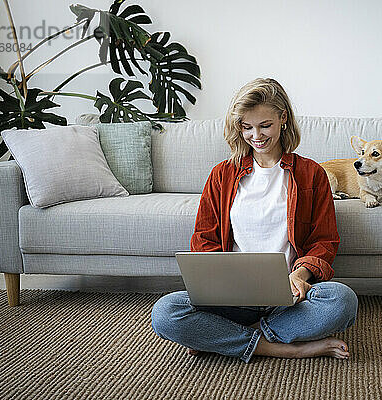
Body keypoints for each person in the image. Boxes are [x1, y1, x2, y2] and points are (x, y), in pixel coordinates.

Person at [151, 78, 358, 363]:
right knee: (166, 312)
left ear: (283, 118)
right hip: (231, 299)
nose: (256, 136)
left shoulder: (311, 173)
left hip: (289, 298)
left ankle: (226, 339)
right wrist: (221, 283)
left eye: (264, 125)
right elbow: (204, 240)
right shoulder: (222, 174)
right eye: (246, 127)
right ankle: (281, 347)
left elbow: (324, 240)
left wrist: (299, 276)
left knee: (341, 301)